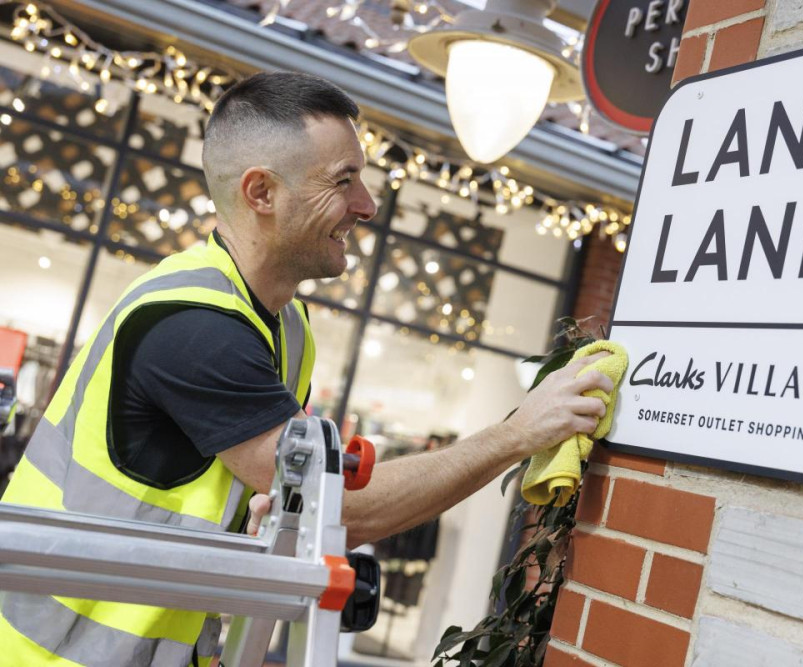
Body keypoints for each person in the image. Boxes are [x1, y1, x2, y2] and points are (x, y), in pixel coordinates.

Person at [0, 71, 613, 666]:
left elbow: (279, 496)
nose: (366, 205)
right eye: (343, 180)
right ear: (261, 193)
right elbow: (339, 511)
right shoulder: (196, 328)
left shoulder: (286, 325)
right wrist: (517, 433)